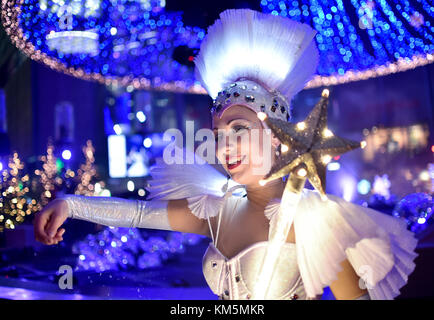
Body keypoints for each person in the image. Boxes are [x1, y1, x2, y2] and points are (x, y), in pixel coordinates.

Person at [34, 9, 418, 300]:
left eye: (239, 130)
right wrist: (70, 205)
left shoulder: (316, 220)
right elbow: (137, 214)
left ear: (277, 136)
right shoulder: (218, 209)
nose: (225, 147)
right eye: (219, 134)